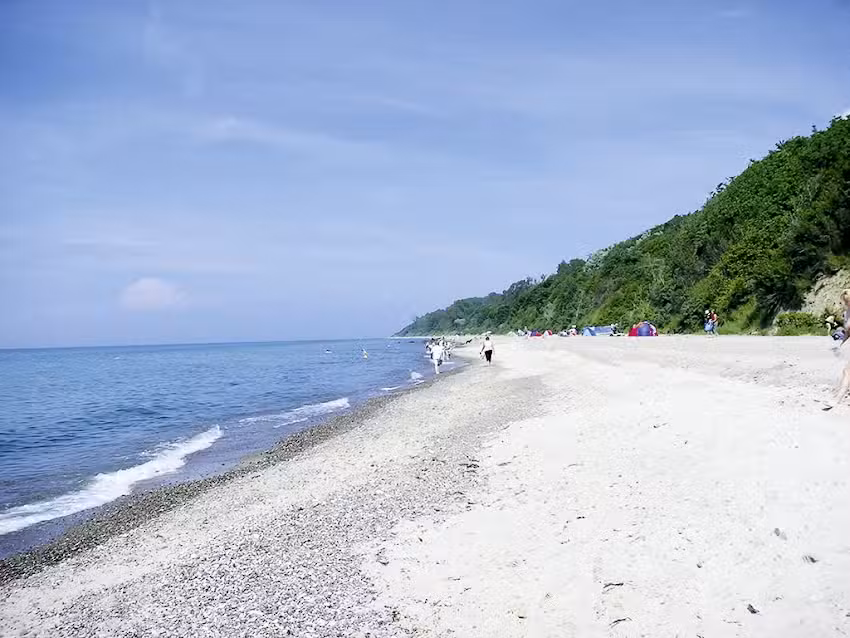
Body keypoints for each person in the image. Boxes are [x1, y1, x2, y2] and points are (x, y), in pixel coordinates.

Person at [824, 289, 850, 410]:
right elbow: (848, 333)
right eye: (845, 301)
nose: (846, 303)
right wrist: (840, 344)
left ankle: (836, 399)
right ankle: (836, 396)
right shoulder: (847, 313)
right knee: (846, 372)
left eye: (847, 301)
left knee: (847, 372)